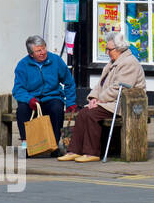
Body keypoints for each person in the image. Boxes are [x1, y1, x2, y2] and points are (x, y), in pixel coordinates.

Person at [59, 31, 146, 163]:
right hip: (109, 102)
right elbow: (100, 84)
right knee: (83, 113)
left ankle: (92, 152)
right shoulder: (112, 62)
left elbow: (119, 89)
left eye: (109, 49)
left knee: (91, 114)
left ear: (119, 49)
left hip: (125, 104)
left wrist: (99, 100)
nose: (107, 52)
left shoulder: (129, 63)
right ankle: (74, 150)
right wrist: (93, 98)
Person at [12, 35, 76, 155]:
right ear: (31, 54)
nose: (42, 52)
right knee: (22, 110)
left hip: (52, 97)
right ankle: (26, 146)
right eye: (38, 51)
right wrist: (29, 99)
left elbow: (69, 82)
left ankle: (55, 145)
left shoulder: (55, 60)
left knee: (57, 108)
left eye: (43, 48)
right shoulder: (23, 65)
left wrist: (71, 102)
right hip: (32, 99)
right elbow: (18, 89)